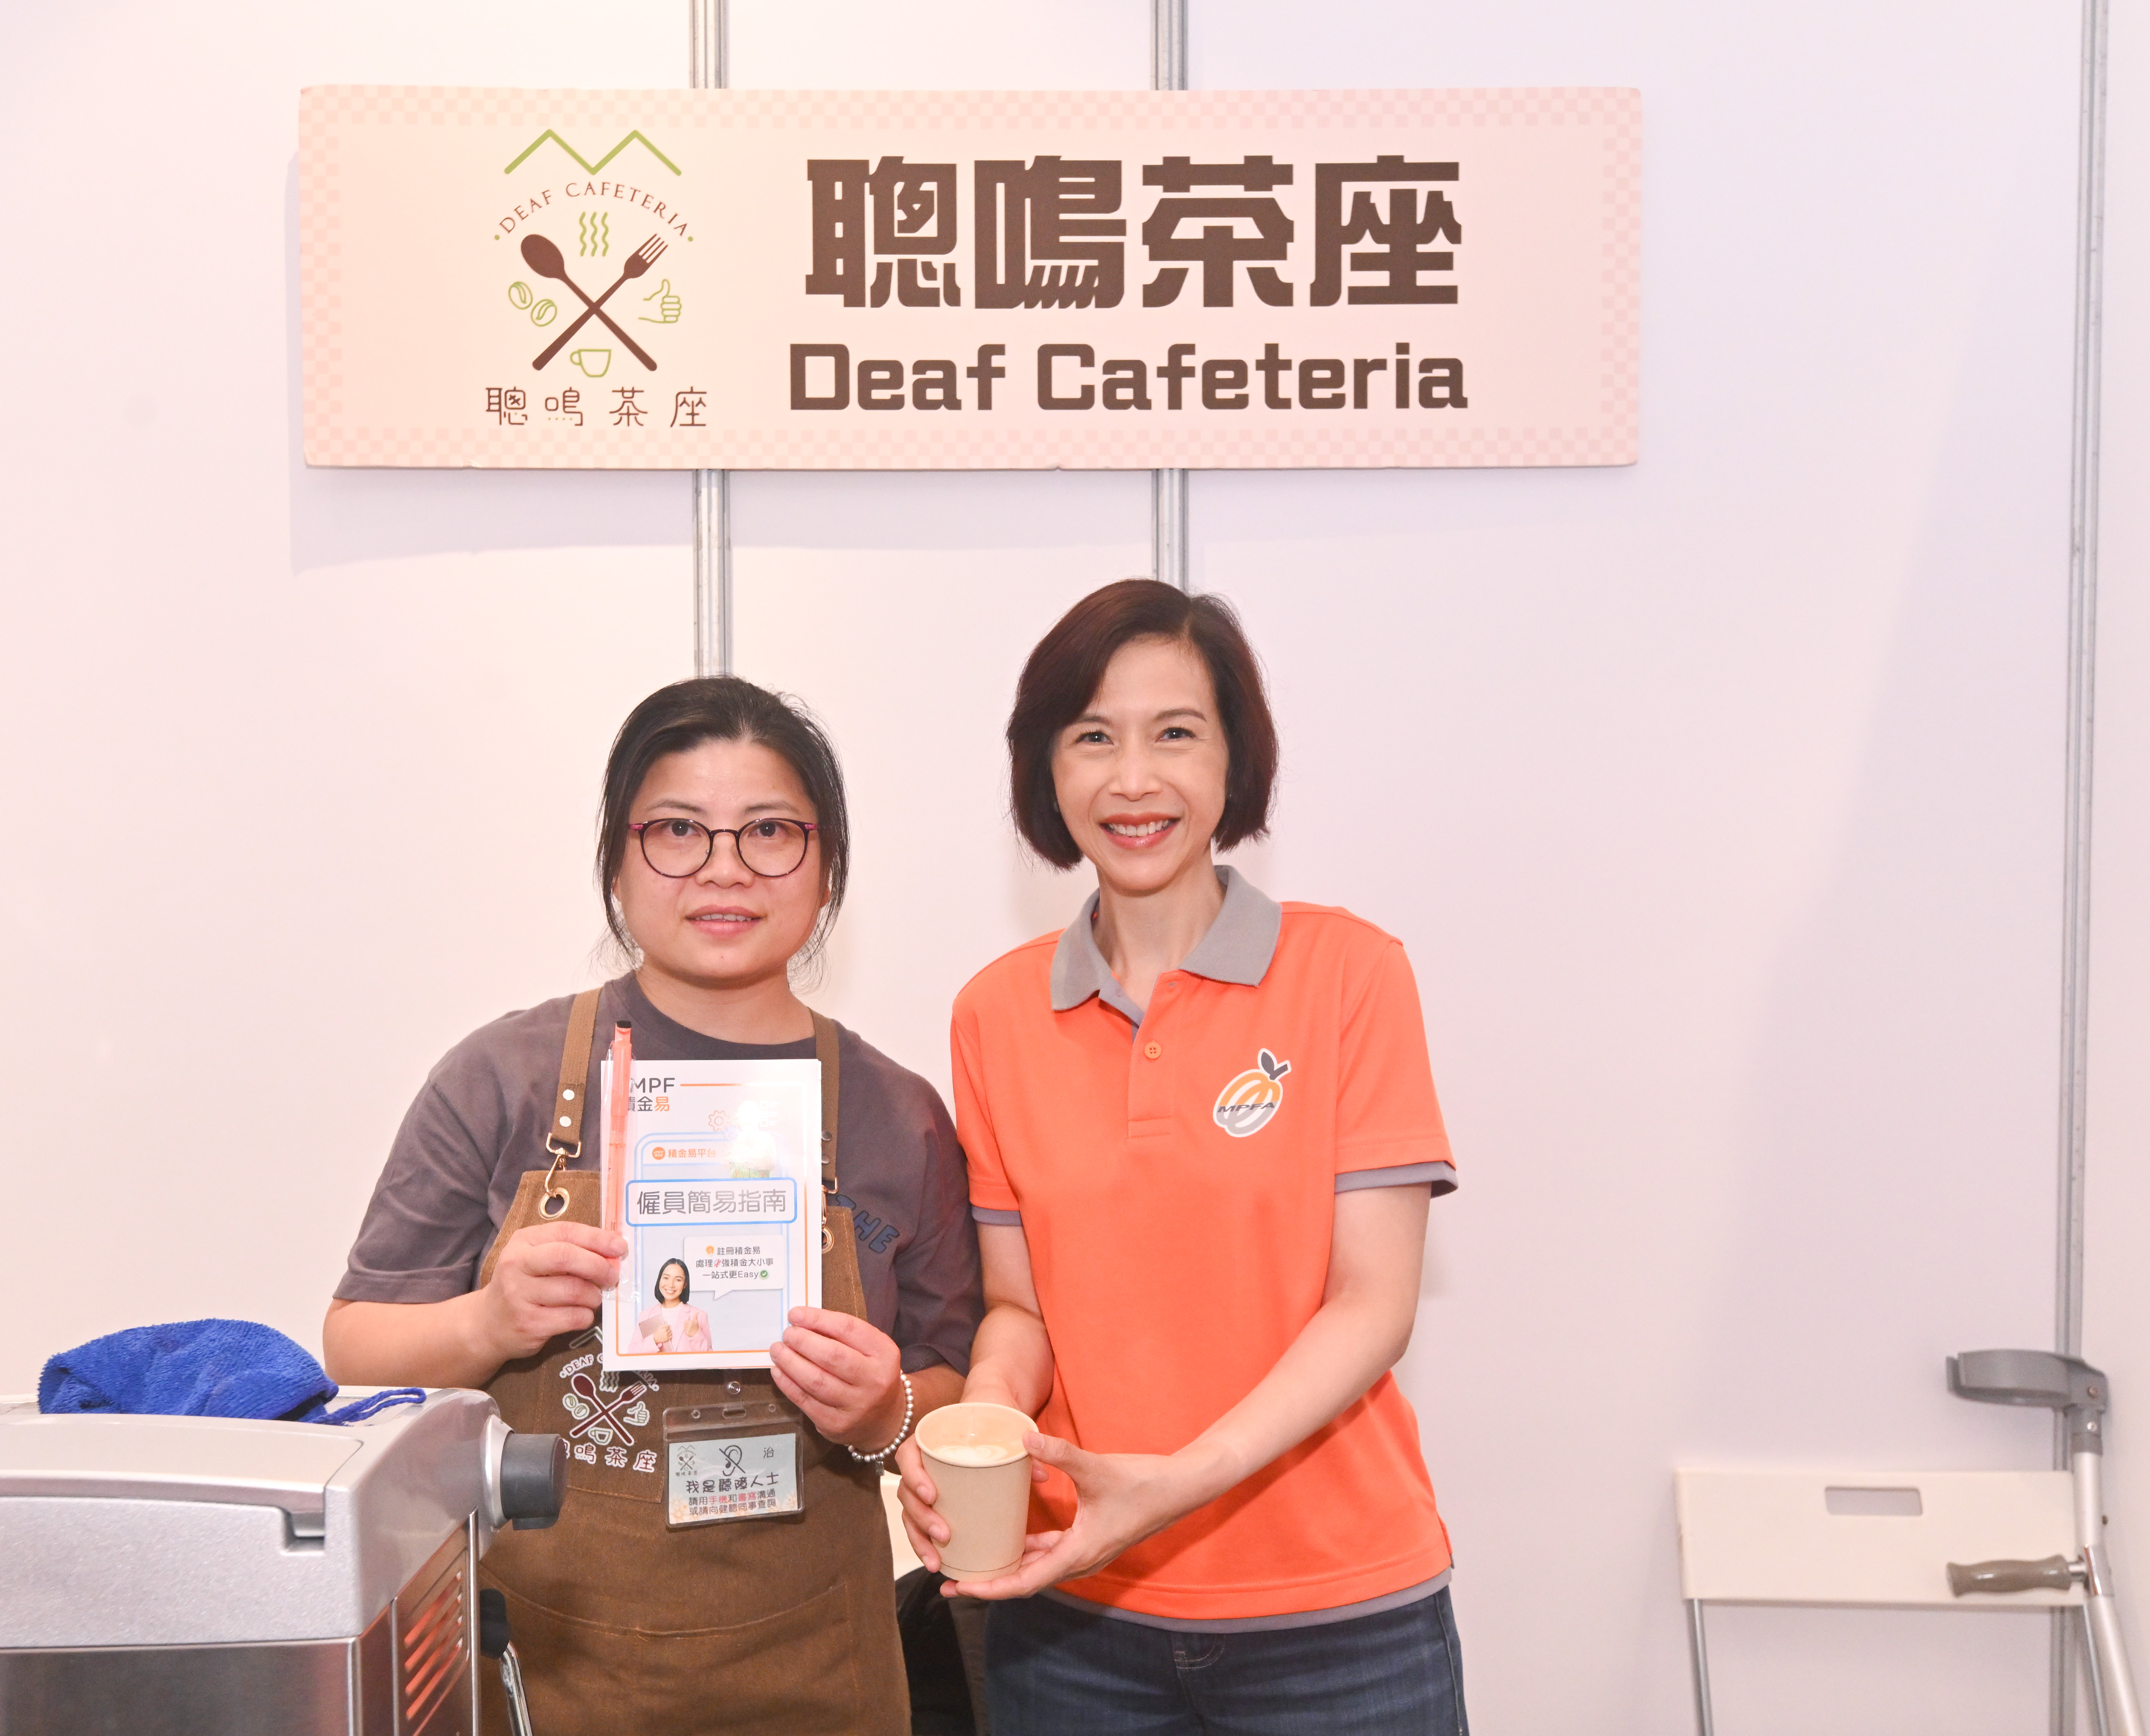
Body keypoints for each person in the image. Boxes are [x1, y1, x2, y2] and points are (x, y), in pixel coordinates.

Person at [325, 677, 981, 1736]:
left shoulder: (895, 1113)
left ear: (825, 866)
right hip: (545, 1662)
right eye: (677, 829)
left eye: (768, 830)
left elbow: (954, 1380)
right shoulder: (503, 1077)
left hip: (817, 1670)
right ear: (616, 860)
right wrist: (489, 1320)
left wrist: (884, 1408)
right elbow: (355, 1341)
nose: (724, 867)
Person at [898, 580, 1469, 1734]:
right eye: (1090, 736)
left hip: (1338, 1618)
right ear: (1044, 769)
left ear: (1233, 758)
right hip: (1071, 1618)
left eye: (1173, 732)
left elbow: (1371, 1301)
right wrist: (987, 1424)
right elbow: (1020, 1307)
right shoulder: (993, 1013)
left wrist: (1173, 1481)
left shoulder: (1348, 972)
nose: (1132, 778)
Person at [635, 1257, 712, 1354]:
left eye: (678, 1280)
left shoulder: (699, 1316)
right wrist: (655, 1340)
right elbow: (632, 1353)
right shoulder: (645, 1316)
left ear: (685, 1284)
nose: (671, 1285)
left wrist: (696, 1335)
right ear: (660, 1279)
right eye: (666, 1278)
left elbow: (710, 1358)